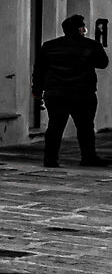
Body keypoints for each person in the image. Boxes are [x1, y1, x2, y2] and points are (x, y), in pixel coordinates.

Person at [34, 14, 108, 167]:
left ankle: (50, 159)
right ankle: (88, 157)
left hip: (56, 92)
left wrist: (37, 90)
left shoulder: (48, 46)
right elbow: (102, 63)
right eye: (83, 27)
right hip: (83, 92)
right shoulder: (90, 45)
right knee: (85, 126)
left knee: (55, 126)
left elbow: (39, 70)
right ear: (80, 29)